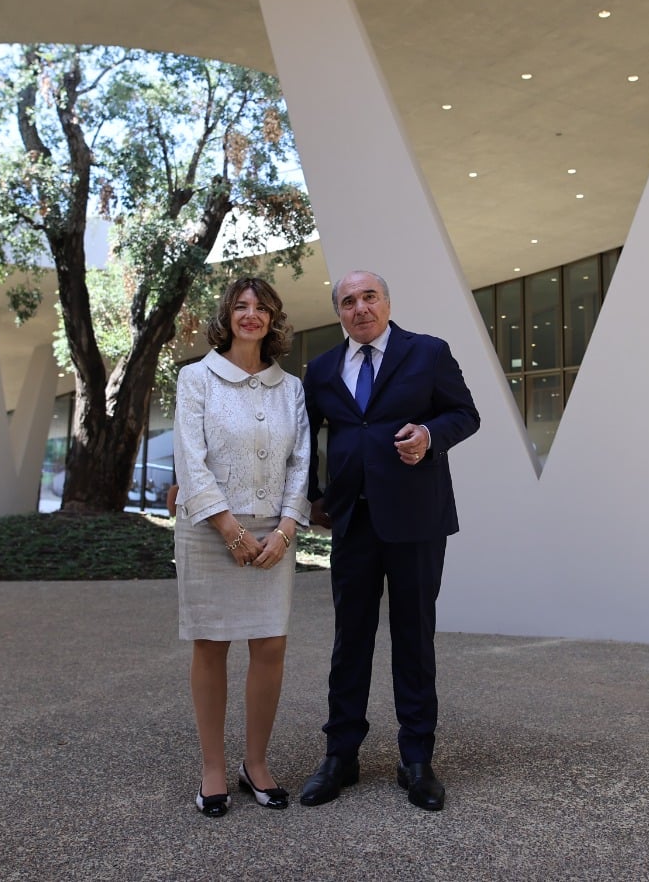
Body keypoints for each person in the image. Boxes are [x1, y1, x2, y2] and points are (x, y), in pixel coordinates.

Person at [298, 270, 480, 812]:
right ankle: (341, 755)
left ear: (387, 302)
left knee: (414, 638)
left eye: (368, 297)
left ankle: (417, 759)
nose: (360, 308)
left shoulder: (427, 352)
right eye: (348, 301)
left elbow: (465, 414)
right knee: (349, 639)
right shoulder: (323, 368)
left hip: (417, 521)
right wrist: (312, 496)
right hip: (352, 521)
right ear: (339, 314)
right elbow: (306, 436)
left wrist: (429, 436)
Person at [173, 276, 311, 817]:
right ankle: (212, 766)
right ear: (227, 315)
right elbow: (189, 457)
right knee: (210, 644)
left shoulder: (292, 388)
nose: (250, 315)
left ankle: (256, 763)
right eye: (241, 306)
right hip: (210, 530)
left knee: (270, 646)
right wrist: (229, 529)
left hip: (273, 535)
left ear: (274, 319)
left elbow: (301, 461)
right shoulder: (196, 378)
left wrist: (284, 532)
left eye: (261, 308)